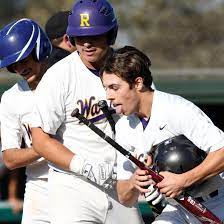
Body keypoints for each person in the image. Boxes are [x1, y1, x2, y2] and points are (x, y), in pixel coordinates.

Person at [31, 0, 144, 224]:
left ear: (111, 35)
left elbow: (149, 117)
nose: (87, 44)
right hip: (73, 186)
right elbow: (40, 138)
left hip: (122, 185)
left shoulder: (130, 67)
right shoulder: (59, 75)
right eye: (80, 37)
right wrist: (82, 165)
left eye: (95, 36)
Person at [100, 46, 224, 223]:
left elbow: (222, 151)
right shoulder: (123, 128)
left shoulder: (177, 108)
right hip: (177, 208)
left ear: (138, 83)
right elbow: (124, 197)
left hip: (217, 202)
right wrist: (134, 182)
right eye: (106, 88)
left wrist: (183, 180)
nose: (108, 96)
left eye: (114, 87)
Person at [0, 18, 52, 223]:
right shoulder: (11, 98)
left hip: (78, 181)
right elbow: (11, 159)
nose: (20, 68)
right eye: (14, 64)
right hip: (39, 188)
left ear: (39, 49)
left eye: (24, 59)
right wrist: (46, 147)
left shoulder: (66, 80)